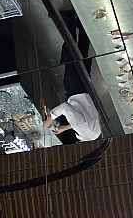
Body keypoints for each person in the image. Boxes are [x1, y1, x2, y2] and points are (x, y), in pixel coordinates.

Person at [42, 11, 101, 143]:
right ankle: (68, 19)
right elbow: (64, 107)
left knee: (82, 52)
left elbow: (82, 121)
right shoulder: (82, 130)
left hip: (86, 88)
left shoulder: (95, 133)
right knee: (69, 53)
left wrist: (66, 127)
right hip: (75, 89)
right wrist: (50, 119)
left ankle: (82, 21)